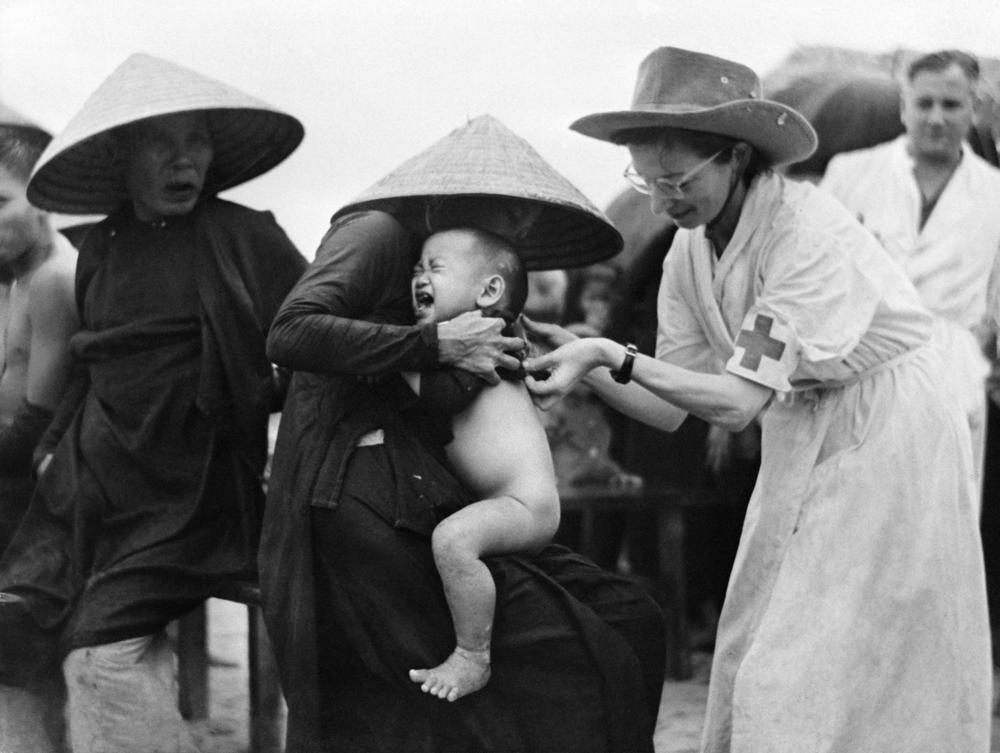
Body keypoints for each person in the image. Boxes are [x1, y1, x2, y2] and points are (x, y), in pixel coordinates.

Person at [523, 46, 991, 752]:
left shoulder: (805, 233)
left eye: (677, 180)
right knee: (768, 631)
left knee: (846, 648)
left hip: (893, 427)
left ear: (736, 157)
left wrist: (608, 354)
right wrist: (582, 356)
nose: (662, 202)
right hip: (805, 423)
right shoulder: (688, 248)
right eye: (647, 182)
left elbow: (735, 403)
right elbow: (672, 406)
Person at [261, 114, 666, 753]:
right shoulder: (376, 238)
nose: (526, 229)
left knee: (622, 619)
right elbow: (292, 335)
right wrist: (429, 343)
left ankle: (486, 660)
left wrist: (593, 354)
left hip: (496, 505)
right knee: (563, 645)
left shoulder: (487, 325)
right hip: (384, 501)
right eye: (516, 214)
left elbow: (478, 378)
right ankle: (473, 656)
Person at [0, 53, 307, 753]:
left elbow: (318, 335)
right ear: (120, 154)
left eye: (195, 140)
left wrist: (262, 392)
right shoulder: (102, 245)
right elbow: (91, 363)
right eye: (160, 143)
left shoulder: (245, 236)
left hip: (192, 496)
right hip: (94, 489)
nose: (183, 160)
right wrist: (54, 454)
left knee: (98, 655)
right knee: (14, 624)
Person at [821, 49, 1000, 494]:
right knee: (848, 516)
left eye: (952, 105)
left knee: (936, 529)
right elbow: (815, 278)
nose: (936, 118)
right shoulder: (852, 174)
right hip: (859, 373)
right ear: (904, 108)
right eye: (924, 104)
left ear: (974, 109)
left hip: (952, 379)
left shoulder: (995, 195)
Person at [400, 227, 560, 702]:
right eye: (416, 269)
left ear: (489, 292)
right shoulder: (466, 348)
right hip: (507, 502)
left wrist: (397, 353)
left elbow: (441, 396)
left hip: (524, 506)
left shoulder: (491, 342)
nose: (419, 278)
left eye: (435, 268)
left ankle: (473, 655)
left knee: (452, 541)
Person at [0, 123, 78, 555]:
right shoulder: (12, 275)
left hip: (29, 489)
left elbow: (38, 419)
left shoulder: (56, 278)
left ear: (43, 199)